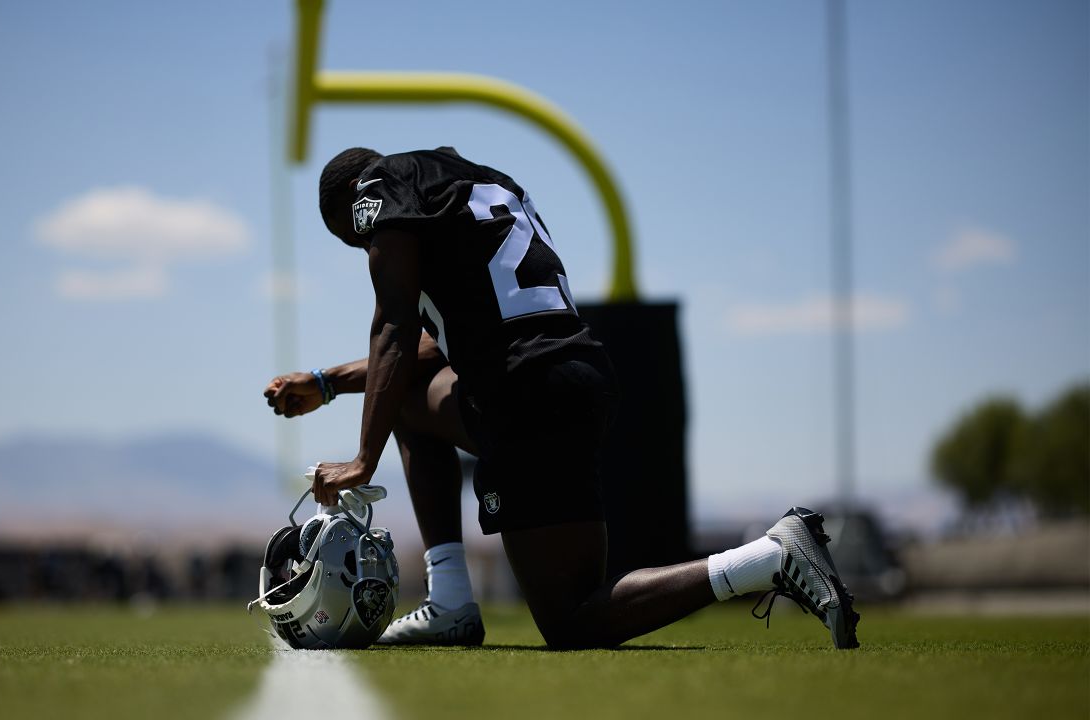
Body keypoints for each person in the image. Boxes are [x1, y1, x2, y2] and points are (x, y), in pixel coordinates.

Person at [264, 146, 859, 649]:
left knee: (572, 619)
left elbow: (395, 324)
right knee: (408, 400)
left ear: (353, 203)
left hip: (522, 394)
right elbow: (434, 347)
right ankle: (450, 600)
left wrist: (362, 458)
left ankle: (768, 557)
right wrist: (326, 383)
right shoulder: (471, 180)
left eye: (356, 238)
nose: (367, 249)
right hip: (572, 376)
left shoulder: (377, 185)